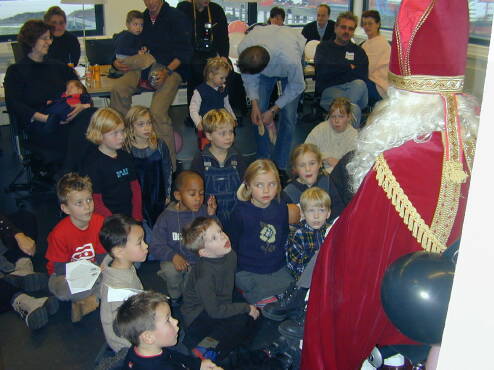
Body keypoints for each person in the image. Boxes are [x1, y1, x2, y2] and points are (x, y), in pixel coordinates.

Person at [302, 0, 479, 368]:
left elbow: (354, 265)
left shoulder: (395, 165)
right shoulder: (477, 147)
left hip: (395, 329)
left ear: (402, 99)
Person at [4, 20, 95, 177]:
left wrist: (83, 106)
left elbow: (81, 91)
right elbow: (14, 105)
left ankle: (76, 178)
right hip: (42, 123)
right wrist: (47, 118)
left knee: (94, 116)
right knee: (78, 135)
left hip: (69, 116)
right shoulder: (16, 71)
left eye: (49, 38)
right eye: (45, 38)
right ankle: (69, 176)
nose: (49, 42)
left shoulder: (58, 66)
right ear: (31, 40)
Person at [111, 0, 193, 170]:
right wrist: (115, 63)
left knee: (156, 113)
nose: (150, 2)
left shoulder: (177, 17)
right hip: (144, 66)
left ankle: (169, 167)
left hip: (171, 69)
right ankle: (127, 152)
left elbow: (185, 52)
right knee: (118, 89)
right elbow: (129, 45)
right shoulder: (143, 18)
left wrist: (167, 72)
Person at [181, 217, 260, 361]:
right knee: (241, 317)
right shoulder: (204, 276)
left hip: (220, 301)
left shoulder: (230, 254)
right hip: (198, 316)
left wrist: (244, 307)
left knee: (253, 315)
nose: (223, 236)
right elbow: (214, 311)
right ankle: (205, 349)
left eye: (220, 231)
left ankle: (230, 348)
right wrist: (244, 308)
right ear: (204, 252)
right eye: (214, 238)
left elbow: (227, 286)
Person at [238, 25, 306, 173]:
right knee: (258, 114)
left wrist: (273, 110)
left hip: (289, 52)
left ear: (264, 68)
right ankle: (263, 158)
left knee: (288, 116)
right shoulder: (244, 48)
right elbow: (249, 78)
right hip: (269, 52)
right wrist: (255, 105)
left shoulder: (290, 59)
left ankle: (280, 165)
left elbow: (297, 86)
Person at [226, 159, 293, 306]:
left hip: (276, 265)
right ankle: (260, 295)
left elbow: (284, 236)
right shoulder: (240, 212)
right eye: (259, 185)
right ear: (248, 186)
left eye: (272, 184)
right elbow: (232, 244)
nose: (266, 190)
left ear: (278, 185)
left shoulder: (281, 206)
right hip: (248, 268)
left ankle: (274, 293)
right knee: (257, 290)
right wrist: (235, 270)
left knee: (292, 289)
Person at [45, 173, 107, 322]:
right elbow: (59, 268)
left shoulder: (100, 222)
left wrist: (99, 268)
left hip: (94, 269)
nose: (87, 207)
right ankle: (97, 297)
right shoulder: (59, 233)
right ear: (65, 208)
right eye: (79, 203)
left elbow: (102, 256)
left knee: (121, 266)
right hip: (64, 275)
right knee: (61, 288)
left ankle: (91, 300)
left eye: (89, 200)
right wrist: (92, 270)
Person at [150, 171, 217, 307]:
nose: (198, 198)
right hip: (173, 259)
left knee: (193, 288)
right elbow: (156, 245)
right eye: (192, 194)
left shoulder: (203, 212)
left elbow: (216, 236)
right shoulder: (166, 217)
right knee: (172, 274)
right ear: (178, 195)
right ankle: (175, 295)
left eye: (201, 193)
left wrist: (212, 216)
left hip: (198, 260)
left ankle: (189, 292)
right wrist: (173, 256)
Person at [116, 291, 221, 369]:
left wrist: (198, 364)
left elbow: (171, 355)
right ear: (148, 337)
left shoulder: (142, 349)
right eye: (168, 320)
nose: (176, 321)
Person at [83, 107, 143, 222]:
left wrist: (137, 216)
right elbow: (96, 200)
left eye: (122, 131)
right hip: (109, 221)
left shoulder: (126, 156)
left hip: (129, 216)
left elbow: (135, 188)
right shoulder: (93, 164)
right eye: (115, 133)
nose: (121, 137)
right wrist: (113, 222)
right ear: (99, 134)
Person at [99, 214, 148, 353]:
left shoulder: (121, 263)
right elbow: (121, 331)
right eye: (140, 242)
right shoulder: (118, 291)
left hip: (136, 314)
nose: (146, 246)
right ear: (119, 251)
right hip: (126, 345)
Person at [190, 109, 246, 226]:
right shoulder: (200, 159)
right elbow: (195, 190)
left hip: (236, 215)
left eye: (231, 132)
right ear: (209, 135)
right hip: (210, 215)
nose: (228, 137)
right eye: (222, 133)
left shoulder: (237, 158)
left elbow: (245, 185)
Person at [124, 106, 173, 236]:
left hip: (158, 194)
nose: (146, 127)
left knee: (160, 227)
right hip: (138, 196)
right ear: (131, 126)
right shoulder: (126, 149)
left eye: (149, 123)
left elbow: (167, 169)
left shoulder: (159, 145)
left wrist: (168, 194)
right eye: (141, 124)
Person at [314, 11, 368, 119]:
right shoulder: (323, 48)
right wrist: (348, 67)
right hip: (330, 90)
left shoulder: (358, 51)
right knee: (354, 110)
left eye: (351, 29)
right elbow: (322, 72)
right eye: (343, 27)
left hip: (355, 90)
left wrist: (336, 67)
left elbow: (362, 75)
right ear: (335, 28)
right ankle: (348, 125)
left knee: (359, 84)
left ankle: (339, 120)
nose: (347, 31)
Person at [177, 0, 229, 106]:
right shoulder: (184, 8)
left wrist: (224, 57)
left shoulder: (216, 10)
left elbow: (223, 37)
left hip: (212, 53)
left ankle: (220, 108)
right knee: (197, 69)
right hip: (191, 53)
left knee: (227, 70)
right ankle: (195, 112)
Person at [281, 143, 344, 222]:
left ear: (320, 164)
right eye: (302, 165)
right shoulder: (289, 192)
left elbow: (339, 209)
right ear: (295, 168)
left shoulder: (328, 182)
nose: (308, 169)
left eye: (312, 163)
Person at [189, 57, 236, 150]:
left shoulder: (223, 89)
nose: (224, 80)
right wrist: (198, 122)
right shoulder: (200, 91)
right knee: (206, 147)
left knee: (223, 144)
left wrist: (233, 118)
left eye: (225, 78)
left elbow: (227, 105)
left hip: (221, 124)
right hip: (206, 126)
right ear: (211, 75)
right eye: (221, 78)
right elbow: (193, 109)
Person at [304, 98, 358, 171]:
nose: (336, 121)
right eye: (333, 116)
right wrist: (325, 159)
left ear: (348, 117)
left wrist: (339, 164)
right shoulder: (320, 129)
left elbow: (353, 165)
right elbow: (305, 150)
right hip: (317, 170)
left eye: (341, 116)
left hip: (340, 173)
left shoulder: (353, 135)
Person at [113, 10, 157, 83]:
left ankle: (141, 79)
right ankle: (145, 80)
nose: (139, 28)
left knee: (147, 58)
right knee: (149, 59)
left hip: (129, 57)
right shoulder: (126, 36)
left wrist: (144, 48)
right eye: (135, 24)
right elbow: (122, 49)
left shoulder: (137, 36)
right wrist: (136, 51)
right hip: (123, 58)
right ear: (127, 24)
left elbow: (139, 45)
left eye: (141, 25)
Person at [361, 10, 391, 105]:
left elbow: (367, 69)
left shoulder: (380, 43)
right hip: (371, 82)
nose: (367, 27)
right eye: (364, 24)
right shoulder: (366, 43)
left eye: (370, 23)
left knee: (352, 86)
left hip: (379, 87)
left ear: (378, 24)